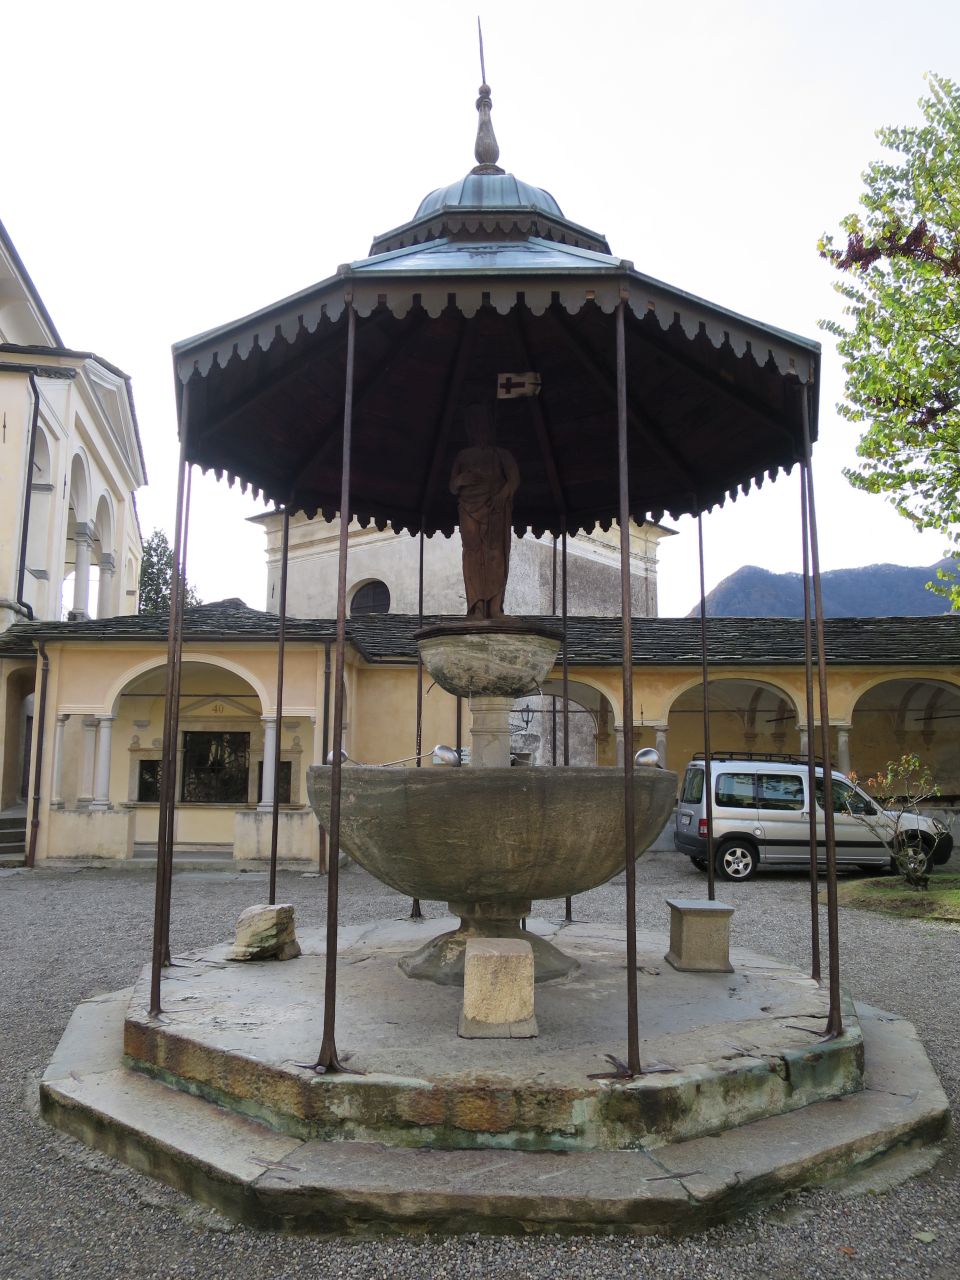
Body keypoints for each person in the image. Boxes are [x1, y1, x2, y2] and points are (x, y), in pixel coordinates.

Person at [449, 404, 520, 619]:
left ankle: (495, 607)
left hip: (495, 509)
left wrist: (500, 496)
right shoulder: (463, 455)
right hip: (468, 509)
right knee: (472, 554)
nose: (480, 430)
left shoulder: (501, 454)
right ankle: (477, 606)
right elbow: (452, 487)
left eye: (484, 425)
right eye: (475, 426)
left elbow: (514, 479)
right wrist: (462, 480)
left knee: (495, 555)